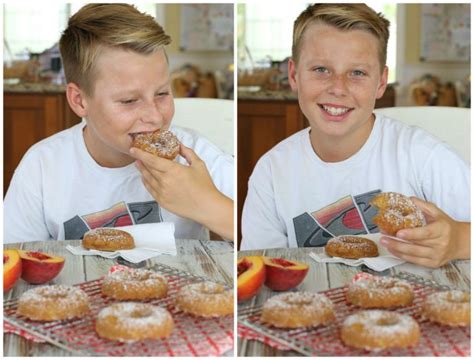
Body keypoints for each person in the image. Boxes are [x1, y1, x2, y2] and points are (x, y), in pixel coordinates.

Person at [240, 3, 470, 268]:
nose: (338, 88)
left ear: (381, 82)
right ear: (294, 75)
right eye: (321, 69)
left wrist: (459, 240)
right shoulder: (271, 172)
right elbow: (259, 266)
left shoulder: (425, 157)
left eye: (358, 73)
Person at [4, 4, 234, 243]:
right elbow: (12, 261)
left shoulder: (197, 157)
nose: (154, 116)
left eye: (162, 93)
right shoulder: (42, 166)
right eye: (129, 100)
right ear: (79, 100)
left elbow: (256, 235)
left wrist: (204, 202)